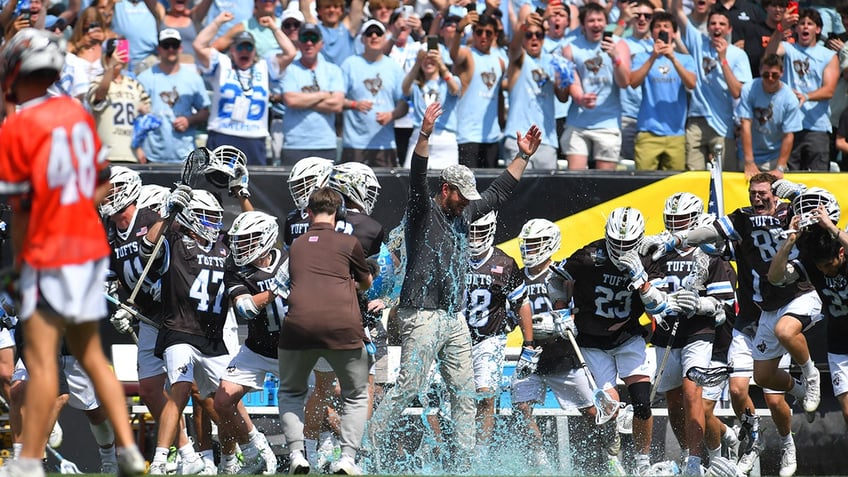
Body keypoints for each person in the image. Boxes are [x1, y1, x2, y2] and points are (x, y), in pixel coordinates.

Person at [0, 28, 145, 477]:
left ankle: (28, 461)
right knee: (91, 357)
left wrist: (19, 265)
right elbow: (102, 184)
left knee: (42, 361)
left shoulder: (18, 126)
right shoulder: (77, 113)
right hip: (87, 247)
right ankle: (129, 451)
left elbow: (21, 209)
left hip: (48, 250)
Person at [366, 102, 541, 472]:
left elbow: (497, 194)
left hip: (454, 318)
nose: (467, 203)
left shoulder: (465, 210)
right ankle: (366, 447)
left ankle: (465, 463)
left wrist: (522, 157)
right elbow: (417, 174)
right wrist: (425, 134)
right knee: (409, 387)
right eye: (461, 195)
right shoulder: (422, 213)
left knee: (464, 393)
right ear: (445, 189)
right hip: (422, 315)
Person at [648, 173, 825, 477]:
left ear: (775, 194)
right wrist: (678, 241)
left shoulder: (790, 213)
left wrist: (797, 192)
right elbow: (713, 237)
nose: (757, 198)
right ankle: (754, 440)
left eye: (763, 193)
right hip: (754, 318)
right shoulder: (739, 225)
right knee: (739, 389)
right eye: (752, 193)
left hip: (789, 301)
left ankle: (787, 442)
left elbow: (822, 209)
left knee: (771, 393)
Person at [553, 207, 658, 475]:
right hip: (592, 338)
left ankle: (642, 462)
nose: (622, 249)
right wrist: (562, 307)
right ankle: (612, 453)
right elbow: (556, 279)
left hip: (627, 335)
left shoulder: (648, 258)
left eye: (628, 244)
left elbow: (659, 307)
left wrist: (642, 281)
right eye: (617, 242)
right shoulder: (589, 256)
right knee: (608, 409)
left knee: (642, 402)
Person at [278, 186, 373, 476]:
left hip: (298, 328)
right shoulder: (350, 242)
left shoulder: (296, 246)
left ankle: (297, 453)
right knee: (356, 395)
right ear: (339, 213)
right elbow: (366, 281)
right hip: (342, 328)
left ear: (308, 213)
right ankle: (346, 458)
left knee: (291, 392)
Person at [647, 194, 736, 475]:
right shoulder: (658, 252)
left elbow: (724, 304)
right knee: (673, 400)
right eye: (671, 220)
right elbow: (646, 291)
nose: (675, 225)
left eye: (681, 220)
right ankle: (687, 453)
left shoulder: (709, 253)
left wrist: (701, 304)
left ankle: (696, 462)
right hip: (666, 331)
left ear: (695, 219)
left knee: (691, 392)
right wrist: (657, 306)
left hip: (699, 330)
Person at [510, 219, 599, 473]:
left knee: (591, 411)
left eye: (535, 244)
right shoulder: (516, 276)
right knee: (521, 405)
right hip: (532, 351)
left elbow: (579, 308)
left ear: (549, 244)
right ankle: (540, 459)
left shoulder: (563, 273)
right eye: (526, 244)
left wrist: (567, 321)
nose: (529, 250)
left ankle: (607, 451)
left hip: (562, 352)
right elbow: (509, 312)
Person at [768, 189, 848, 429]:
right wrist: (790, 240)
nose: (825, 271)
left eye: (829, 264)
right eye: (820, 267)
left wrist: (831, 227)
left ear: (842, 253)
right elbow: (774, 277)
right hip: (839, 344)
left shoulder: (842, 245)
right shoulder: (811, 263)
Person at [214, 210, 285, 474]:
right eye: (239, 240)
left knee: (323, 406)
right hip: (257, 348)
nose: (240, 246)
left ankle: (340, 454)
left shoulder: (291, 260)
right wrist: (275, 290)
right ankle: (255, 448)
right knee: (221, 400)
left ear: (266, 238)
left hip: (295, 351)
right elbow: (244, 308)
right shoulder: (236, 269)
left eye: (247, 240)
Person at [194, 12, 297, 165]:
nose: (245, 51)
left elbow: (290, 53)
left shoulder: (264, 66)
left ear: (254, 50)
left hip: (254, 138)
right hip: (222, 134)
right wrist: (217, 22)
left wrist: (274, 28)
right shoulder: (222, 64)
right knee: (216, 184)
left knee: (252, 185)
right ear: (232, 50)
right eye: (240, 47)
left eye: (249, 47)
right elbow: (199, 45)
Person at [463, 211, 525, 460]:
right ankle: (457, 448)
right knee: (451, 395)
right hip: (456, 337)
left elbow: (521, 304)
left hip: (489, 338)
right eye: (471, 231)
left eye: (480, 231)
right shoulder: (454, 256)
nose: (475, 237)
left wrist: (526, 340)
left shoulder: (505, 263)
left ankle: (482, 453)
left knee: (486, 394)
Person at [672, 2, 752, 171]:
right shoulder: (698, 42)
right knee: (693, 178)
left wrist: (723, 60)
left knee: (725, 177)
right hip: (696, 120)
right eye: (713, 24)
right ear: (707, 28)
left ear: (729, 29)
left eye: (722, 24)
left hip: (724, 126)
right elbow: (678, 11)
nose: (717, 27)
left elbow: (738, 92)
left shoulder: (738, 55)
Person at [765, 8, 839, 172]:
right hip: (789, 127)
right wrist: (779, 29)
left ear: (818, 29)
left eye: (810, 24)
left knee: (817, 181)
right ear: (796, 29)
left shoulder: (828, 55)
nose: (805, 27)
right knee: (789, 180)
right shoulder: (788, 48)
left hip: (817, 128)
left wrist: (805, 96)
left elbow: (829, 90)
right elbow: (769, 56)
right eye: (801, 24)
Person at [562, 3, 632, 170]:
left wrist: (615, 58)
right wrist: (580, 98)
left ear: (606, 22)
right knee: (575, 180)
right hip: (578, 122)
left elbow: (624, 82)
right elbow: (573, 81)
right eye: (591, 20)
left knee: (605, 182)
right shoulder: (570, 48)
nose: (596, 24)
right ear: (583, 24)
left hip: (608, 122)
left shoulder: (620, 44)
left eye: (600, 20)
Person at [630, 12, 696, 171]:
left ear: (674, 33)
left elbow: (691, 83)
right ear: (652, 32)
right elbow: (633, 82)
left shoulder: (686, 59)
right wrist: (653, 56)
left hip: (676, 134)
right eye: (658, 26)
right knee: (643, 185)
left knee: (674, 185)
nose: (662, 29)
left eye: (666, 26)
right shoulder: (641, 57)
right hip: (648, 132)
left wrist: (673, 58)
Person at [504, 13, 570, 169]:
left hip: (546, 140)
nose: (534, 38)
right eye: (529, 35)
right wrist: (523, 25)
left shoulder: (554, 61)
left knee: (546, 193)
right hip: (518, 139)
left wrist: (563, 82)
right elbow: (514, 47)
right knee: (516, 191)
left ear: (544, 37)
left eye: (538, 35)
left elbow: (563, 98)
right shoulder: (519, 60)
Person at [136, 28, 211, 164]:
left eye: (174, 45)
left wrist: (189, 120)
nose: (171, 49)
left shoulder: (193, 79)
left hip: (185, 157)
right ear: (159, 49)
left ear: (180, 48)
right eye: (166, 45)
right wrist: (138, 147)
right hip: (152, 156)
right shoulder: (145, 78)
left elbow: (205, 112)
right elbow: (135, 116)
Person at [340, 19, 408, 167]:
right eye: (369, 33)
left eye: (378, 33)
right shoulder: (349, 64)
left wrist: (392, 115)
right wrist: (354, 104)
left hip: (385, 145)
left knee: (387, 190)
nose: (374, 36)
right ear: (362, 39)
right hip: (355, 144)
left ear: (385, 38)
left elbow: (404, 103)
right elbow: (336, 99)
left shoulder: (394, 67)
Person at [279, 23, 345, 165]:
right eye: (304, 38)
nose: (309, 43)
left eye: (313, 38)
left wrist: (303, 100)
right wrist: (323, 94)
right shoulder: (289, 69)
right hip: (295, 145)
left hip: (325, 145)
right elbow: (291, 101)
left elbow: (337, 105)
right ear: (298, 42)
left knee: (325, 188)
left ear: (321, 43)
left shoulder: (333, 70)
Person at [450, 11, 506, 168]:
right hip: (468, 136)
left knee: (490, 189)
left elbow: (499, 94)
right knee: (467, 190)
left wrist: (502, 122)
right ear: (473, 33)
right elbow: (454, 55)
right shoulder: (468, 54)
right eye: (479, 32)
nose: (483, 36)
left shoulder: (500, 62)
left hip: (492, 136)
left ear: (495, 35)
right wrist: (459, 30)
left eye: (488, 33)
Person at [736, 53, 802, 178]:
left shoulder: (790, 99)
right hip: (748, 154)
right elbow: (745, 125)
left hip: (773, 157)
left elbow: (788, 135)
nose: (770, 79)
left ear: (782, 73)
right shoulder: (749, 89)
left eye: (775, 75)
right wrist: (749, 161)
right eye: (766, 75)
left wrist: (780, 167)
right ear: (760, 72)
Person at [88, 38, 151, 164]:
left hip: (131, 155)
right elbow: (99, 96)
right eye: (112, 55)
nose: (117, 58)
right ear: (105, 57)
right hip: (107, 155)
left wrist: (139, 146)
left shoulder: (134, 84)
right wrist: (110, 67)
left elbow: (146, 117)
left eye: (120, 54)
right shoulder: (97, 81)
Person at [401, 48, 461, 168]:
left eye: (432, 58)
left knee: (448, 182)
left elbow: (455, 90)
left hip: (444, 138)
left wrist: (441, 65)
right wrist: (417, 63)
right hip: (419, 135)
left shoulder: (449, 80)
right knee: (410, 178)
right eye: (425, 58)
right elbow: (405, 89)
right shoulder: (415, 84)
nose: (428, 61)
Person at [299, 0, 365, 65]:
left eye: (336, 7)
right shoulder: (315, 29)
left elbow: (358, 2)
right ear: (319, 10)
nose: (332, 10)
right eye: (327, 7)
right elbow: (304, 7)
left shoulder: (348, 27)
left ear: (342, 10)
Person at [212, 0, 285, 57]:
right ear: (255, 2)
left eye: (272, 0)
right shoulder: (243, 27)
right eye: (264, 0)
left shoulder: (286, 25)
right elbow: (214, 47)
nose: (268, 2)